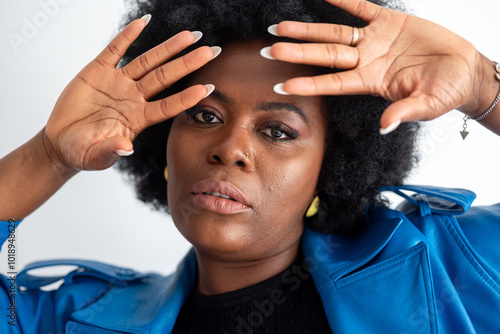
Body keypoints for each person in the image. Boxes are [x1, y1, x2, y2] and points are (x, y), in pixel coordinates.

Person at [0, 0, 499, 332]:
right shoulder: (73, 318)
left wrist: (483, 86)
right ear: (162, 142)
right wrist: (48, 155)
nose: (229, 148)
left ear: (328, 173)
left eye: (277, 131)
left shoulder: (447, 269)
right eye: (204, 115)